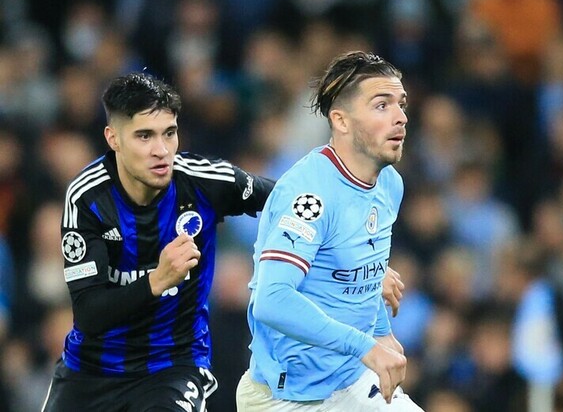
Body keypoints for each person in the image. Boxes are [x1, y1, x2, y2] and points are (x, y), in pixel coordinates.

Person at [41, 72, 406, 411]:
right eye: (144, 136)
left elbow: (297, 205)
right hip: (90, 370)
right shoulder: (88, 198)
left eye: (169, 133)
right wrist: (157, 279)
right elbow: (89, 314)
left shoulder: (203, 180)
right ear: (113, 139)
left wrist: (358, 261)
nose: (162, 150)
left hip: (172, 368)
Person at [236, 51, 423, 411]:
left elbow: (362, 264)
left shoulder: (389, 184)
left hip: (351, 381)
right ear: (341, 120)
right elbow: (271, 299)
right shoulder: (310, 195)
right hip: (288, 398)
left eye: (401, 104)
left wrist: (381, 330)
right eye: (381, 105)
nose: (400, 117)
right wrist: (367, 346)